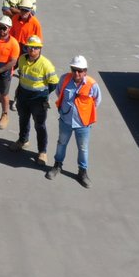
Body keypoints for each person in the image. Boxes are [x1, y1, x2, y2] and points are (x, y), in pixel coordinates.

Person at [48, 55, 102, 187]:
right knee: (61, 143)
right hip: (66, 121)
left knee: (83, 148)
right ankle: (57, 166)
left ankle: (82, 172)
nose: (76, 73)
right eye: (74, 69)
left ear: (85, 71)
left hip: (83, 124)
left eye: (80, 70)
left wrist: (84, 112)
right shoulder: (64, 79)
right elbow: (59, 92)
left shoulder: (92, 85)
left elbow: (97, 100)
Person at [8, 35, 59, 165]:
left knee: (40, 125)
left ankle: (42, 151)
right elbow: (21, 77)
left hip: (38, 99)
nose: (32, 50)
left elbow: (53, 83)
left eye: (35, 48)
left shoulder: (46, 64)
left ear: (40, 49)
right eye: (30, 47)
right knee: (23, 119)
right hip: (23, 96)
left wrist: (44, 94)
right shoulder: (22, 59)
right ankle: (23, 140)